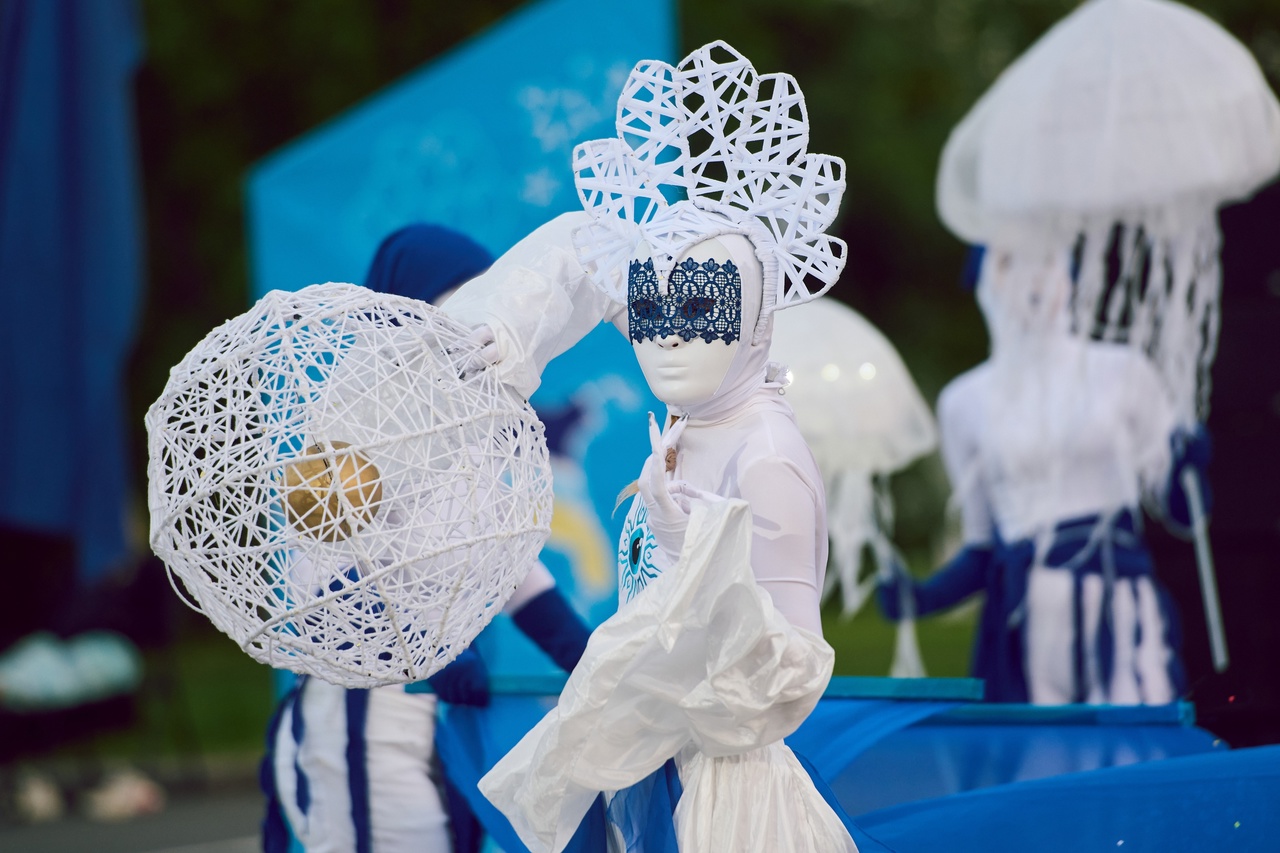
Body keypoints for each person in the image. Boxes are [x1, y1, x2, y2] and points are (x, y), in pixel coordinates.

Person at [440, 41, 870, 853]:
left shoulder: (765, 454)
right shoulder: (694, 416)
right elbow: (583, 249)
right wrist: (511, 327)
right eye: (651, 307)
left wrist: (699, 552)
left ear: (755, 320)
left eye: (703, 307)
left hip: (726, 806)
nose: (668, 334)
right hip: (648, 782)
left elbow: (790, 677)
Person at [260, 224, 592, 853]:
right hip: (362, 713)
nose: (482, 319)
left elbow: (504, 559)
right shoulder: (349, 423)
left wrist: (589, 655)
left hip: (436, 708)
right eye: (465, 299)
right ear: (407, 309)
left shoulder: (466, 422)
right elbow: (321, 581)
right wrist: (428, 650)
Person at [880, 246, 1207, 705]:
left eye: (1045, 259)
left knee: (1132, 732)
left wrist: (1187, 465)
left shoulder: (1124, 371)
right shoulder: (964, 402)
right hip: (1026, 621)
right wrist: (923, 597)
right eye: (1009, 263)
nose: (1032, 279)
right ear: (983, 283)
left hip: (1119, 608)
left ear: (1070, 274)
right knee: (1041, 742)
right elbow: (983, 546)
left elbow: (1184, 512)